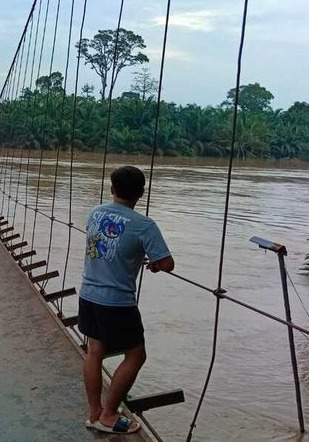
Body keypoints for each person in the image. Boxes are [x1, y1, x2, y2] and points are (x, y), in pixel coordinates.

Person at [79, 165, 174, 435]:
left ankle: (94, 412)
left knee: (94, 352)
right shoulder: (144, 225)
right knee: (136, 354)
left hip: (88, 295)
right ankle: (109, 415)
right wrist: (154, 264)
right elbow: (167, 263)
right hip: (116, 302)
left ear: (112, 189)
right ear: (141, 194)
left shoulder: (95, 213)